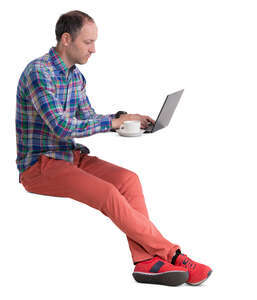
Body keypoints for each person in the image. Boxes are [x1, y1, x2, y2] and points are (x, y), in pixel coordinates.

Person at [16, 10, 212, 286]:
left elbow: (87, 118)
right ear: (66, 39)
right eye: (88, 42)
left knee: (129, 180)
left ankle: (145, 263)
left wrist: (125, 120)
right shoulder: (39, 73)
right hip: (39, 166)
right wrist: (112, 122)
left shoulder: (75, 77)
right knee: (108, 193)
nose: (94, 49)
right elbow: (61, 127)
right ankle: (174, 254)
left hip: (70, 157)